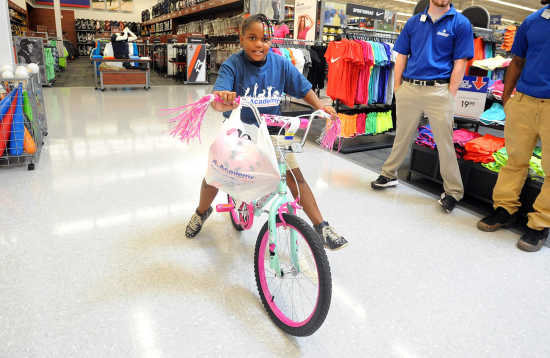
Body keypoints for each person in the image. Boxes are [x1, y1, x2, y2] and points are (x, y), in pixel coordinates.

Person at [185, 14, 348, 250]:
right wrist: (225, 99)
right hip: (240, 131)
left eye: (265, 39)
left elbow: (304, 89)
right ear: (241, 39)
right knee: (216, 175)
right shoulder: (233, 64)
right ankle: (201, 212)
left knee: (295, 178)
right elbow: (216, 102)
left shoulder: (280, 63)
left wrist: (320, 107)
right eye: (252, 38)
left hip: (273, 129)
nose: (259, 44)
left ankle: (321, 226)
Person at [370, 0, 474, 214]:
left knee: (445, 143)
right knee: (402, 136)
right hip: (410, 87)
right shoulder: (413, 22)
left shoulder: (461, 23)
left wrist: (450, 94)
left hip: (439, 90)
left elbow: (460, 62)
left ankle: (453, 191)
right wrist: (398, 88)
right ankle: (389, 174)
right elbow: (401, 56)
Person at [477, 2, 550, 252]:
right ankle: (504, 209)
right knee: (514, 160)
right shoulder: (532, 21)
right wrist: (506, 99)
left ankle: (539, 224)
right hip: (524, 101)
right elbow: (517, 61)